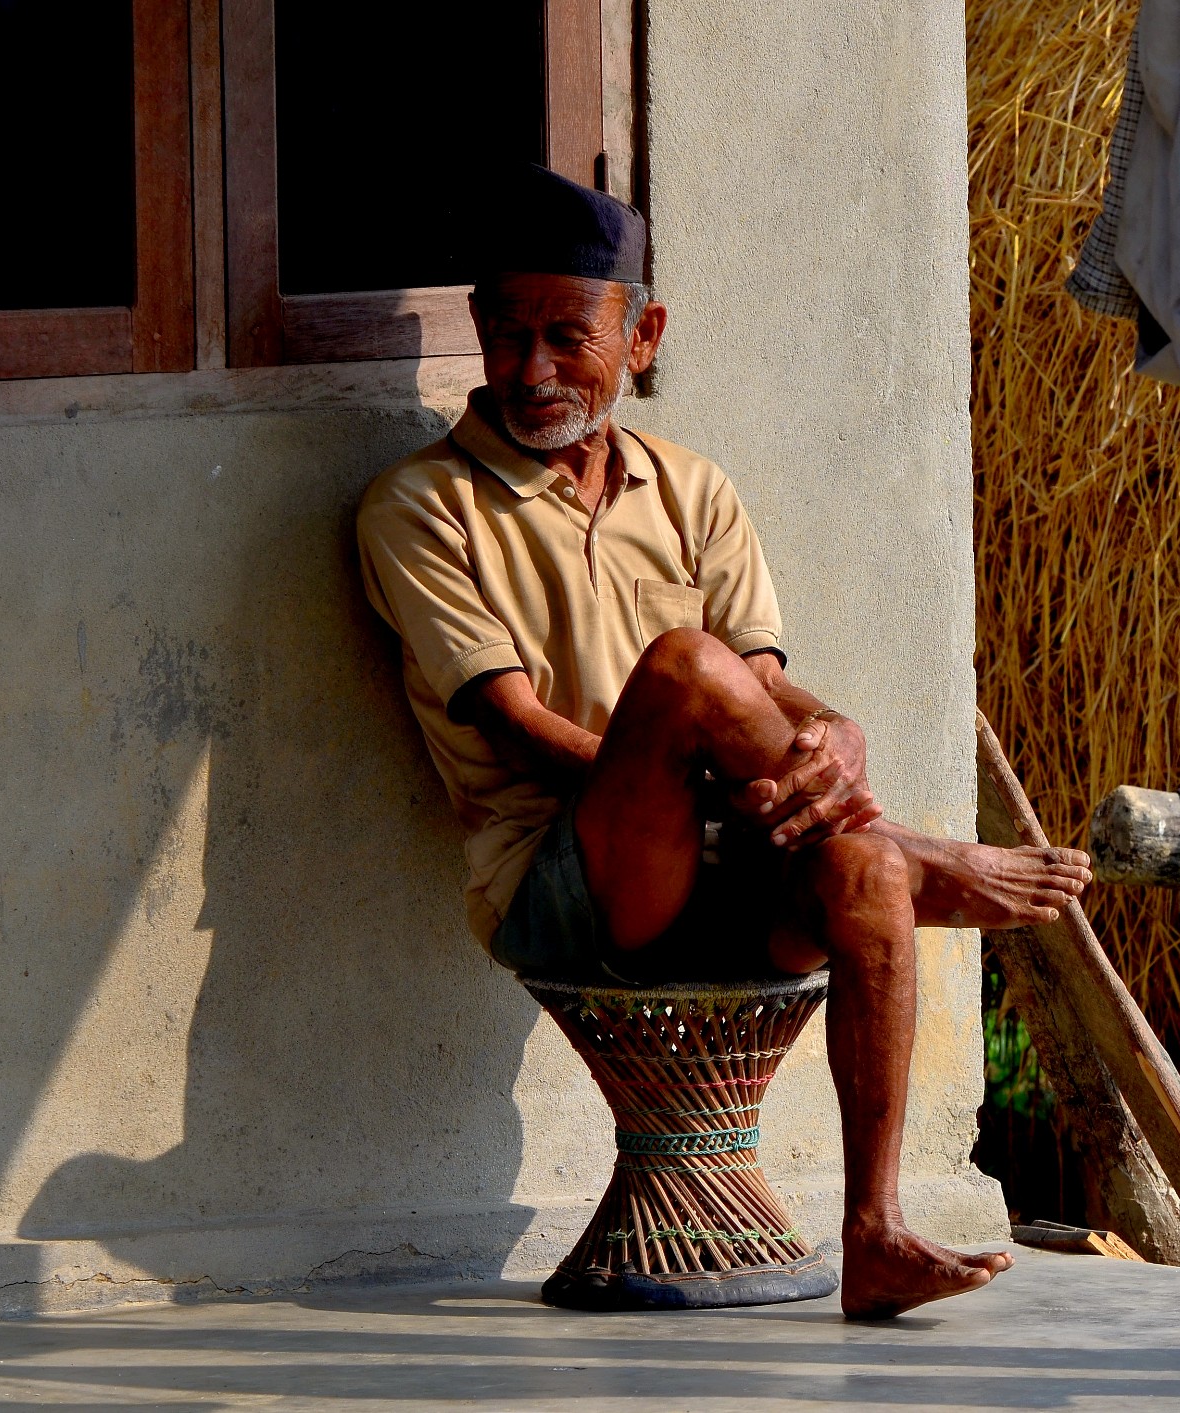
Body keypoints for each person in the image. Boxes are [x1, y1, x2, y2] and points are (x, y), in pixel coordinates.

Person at [357, 165, 1091, 1319]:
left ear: (640, 333)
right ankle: (920, 849)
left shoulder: (690, 487)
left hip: (724, 846)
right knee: (683, 667)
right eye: (506, 338)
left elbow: (767, 696)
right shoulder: (419, 504)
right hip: (568, 876)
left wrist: (838, 741)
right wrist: (687, 740)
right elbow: (519, 725)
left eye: (565, 336)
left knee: (857, 865)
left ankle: (876, 1232)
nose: (532, 370)